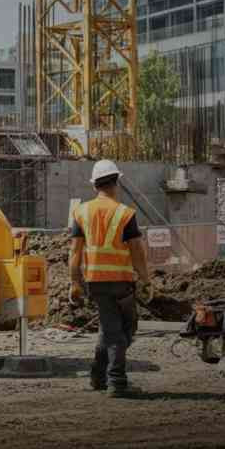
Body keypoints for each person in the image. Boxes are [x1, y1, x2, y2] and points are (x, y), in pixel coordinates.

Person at [68, 159, 150, 398]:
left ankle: (97, 374)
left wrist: (74, 282)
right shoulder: (125, 213)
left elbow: (74, 251)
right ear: (116, 183)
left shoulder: (81, 211)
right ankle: (117, 382)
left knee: (110, 328)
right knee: (121, 331)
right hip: (121, 282)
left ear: (95, 185)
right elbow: (136, 250)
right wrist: (145, 280)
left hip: (95, 281)